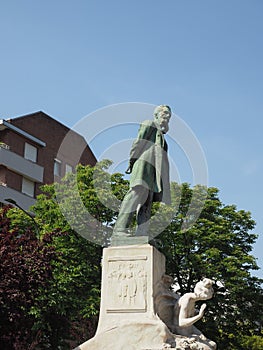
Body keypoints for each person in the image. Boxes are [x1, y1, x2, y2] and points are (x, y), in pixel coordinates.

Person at [113, 105, 172, 238]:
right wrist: (132, 161)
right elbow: (138, 142)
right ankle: (119, 229)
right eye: (165, 113)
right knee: (135, 194)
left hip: (153, 172)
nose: (167, 116)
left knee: (147, 201)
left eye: (169, 115)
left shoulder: (160, 134)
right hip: (143, 165)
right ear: (156, 114)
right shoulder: (149, 124)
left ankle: (142, 233)